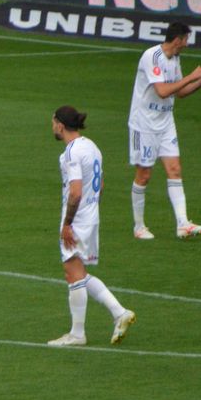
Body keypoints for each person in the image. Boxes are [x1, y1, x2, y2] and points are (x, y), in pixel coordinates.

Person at [48, 106, 136, 347]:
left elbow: (75, 192)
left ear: (60, 125)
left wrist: (67, 224)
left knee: (71, 272)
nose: (52, 126)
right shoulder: (92, 147)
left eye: (53, 122)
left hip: (77, 219)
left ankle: (77, 334)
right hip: (91, 216)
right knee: (80, 273)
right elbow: (101, 184)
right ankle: (119, 312)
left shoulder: (71, 153)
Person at [127, 22, 201, 241]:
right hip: (144, 124)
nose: (187, 44)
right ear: (178, 39)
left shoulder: (175, 59)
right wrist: (192, 76)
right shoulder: (152, 57)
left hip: (166, 121)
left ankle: (183, 224)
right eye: (186, 39)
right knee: (144, 174)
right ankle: (139, 227)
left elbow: (179, 92)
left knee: (175, 169)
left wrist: (200, 83)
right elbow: (162, 91)